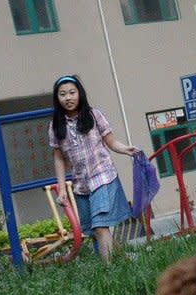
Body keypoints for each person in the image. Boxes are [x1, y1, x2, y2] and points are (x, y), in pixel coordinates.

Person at [49, 74, 138, 263]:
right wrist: (62, 189)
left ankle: (110, 276)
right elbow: (58, 159)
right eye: (63, 94)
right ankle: (126, 261)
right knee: (96, 232)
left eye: (72, 92)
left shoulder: (94, 115)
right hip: (81, 184)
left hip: (103, 176)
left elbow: (111, 142)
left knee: (100, 226)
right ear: (57, 98)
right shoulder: (55, 125)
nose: (68, 97)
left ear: (79, 94)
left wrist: (125, 149)